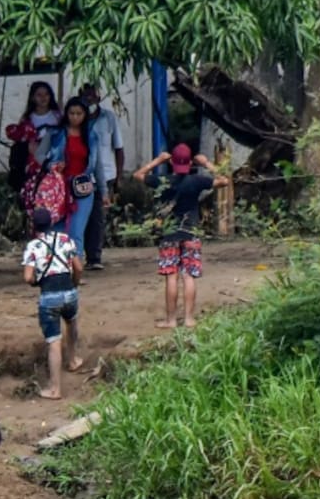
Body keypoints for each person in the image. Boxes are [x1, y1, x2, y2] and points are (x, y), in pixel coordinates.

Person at [133, 144, 230, 329]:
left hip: (169, 235)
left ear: (172, 162)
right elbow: (224, 180)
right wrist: (206, 163)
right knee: (188, 276)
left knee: (171, 276)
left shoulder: (163, 180)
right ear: (190, 162)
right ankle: (188, 319)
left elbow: (138, 175)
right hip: (190, 233)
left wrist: (158, 160)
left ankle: (170, 320)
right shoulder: (197, 181)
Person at [22, 206, 84, 400]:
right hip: (69, 292)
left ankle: (55, 389)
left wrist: (35, 281)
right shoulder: (65, 239)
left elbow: (28, 277)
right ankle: (73, 359)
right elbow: (78, 268)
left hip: (49, 295)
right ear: (51, 222)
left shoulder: (33, 246)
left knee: (54, 342)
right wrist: (74, 284)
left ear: (34, 225)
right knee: (71, 320)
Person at [45, 96, 107, 253]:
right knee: (57, 230)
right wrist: (52, 166)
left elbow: (97, 166)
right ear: (66, 114)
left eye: (79, 113)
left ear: (85, 115)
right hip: (59, 187)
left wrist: (104, 191)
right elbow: (40, 157)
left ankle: (75, 270)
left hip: (83, 187)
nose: (75, 117)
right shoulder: (55, 134)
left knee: (76, 231)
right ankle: (59, 268)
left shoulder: (91, 136)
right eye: (71, 113)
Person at [79, 84, 124, 271]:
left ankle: (94, 257)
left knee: (98, 217)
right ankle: (77, 255)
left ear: (98, 97)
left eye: (92, 95)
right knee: (81, 215)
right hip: (81, 175)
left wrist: (119, 177)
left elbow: (119, 148)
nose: (89, 99)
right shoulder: (77, 120)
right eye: (85, 96)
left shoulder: (109, 118)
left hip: (105, 174)